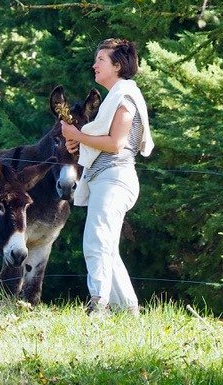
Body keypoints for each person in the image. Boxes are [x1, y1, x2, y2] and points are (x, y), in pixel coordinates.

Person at [60, 38, 154, 317]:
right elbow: (103, 140)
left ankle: (98, 305)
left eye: (100, 60)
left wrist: (77, 135)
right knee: (107, 247)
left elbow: (116, 144)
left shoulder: (124, 98)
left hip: (116, 177)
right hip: (108, 178)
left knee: (96, 239)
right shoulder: (115, 99)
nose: (94, 65)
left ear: (117, 65)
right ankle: (129, 312)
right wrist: (79, 143)